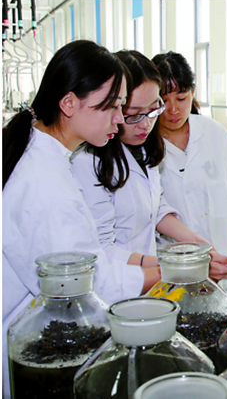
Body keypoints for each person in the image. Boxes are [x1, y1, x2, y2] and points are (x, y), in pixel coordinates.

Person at [1, 40, 141, 398]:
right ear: (68, 103)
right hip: (32, 350)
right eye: (110, 106)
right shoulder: (43, 185)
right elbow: (78, 288)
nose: (119, 119)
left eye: (121, 106)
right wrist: (175, 273)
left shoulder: (46, 157)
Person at [71, 50, 227, 294]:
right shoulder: (87, 161)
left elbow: (156, 208)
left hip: (149, 287)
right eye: (133, 115)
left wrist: (201, 247)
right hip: (117, 290)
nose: (146, 124)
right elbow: (101, 250)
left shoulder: (143, 149)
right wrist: (179, 266)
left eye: (154, 110)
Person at [152, 51, 227, 309]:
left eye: (181, 98)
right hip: (172, 265)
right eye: (163, 101)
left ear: (193, 92)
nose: (173, 110)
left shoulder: (214, 134)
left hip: (223, 257)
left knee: (225, 318)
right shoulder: (145, 144)